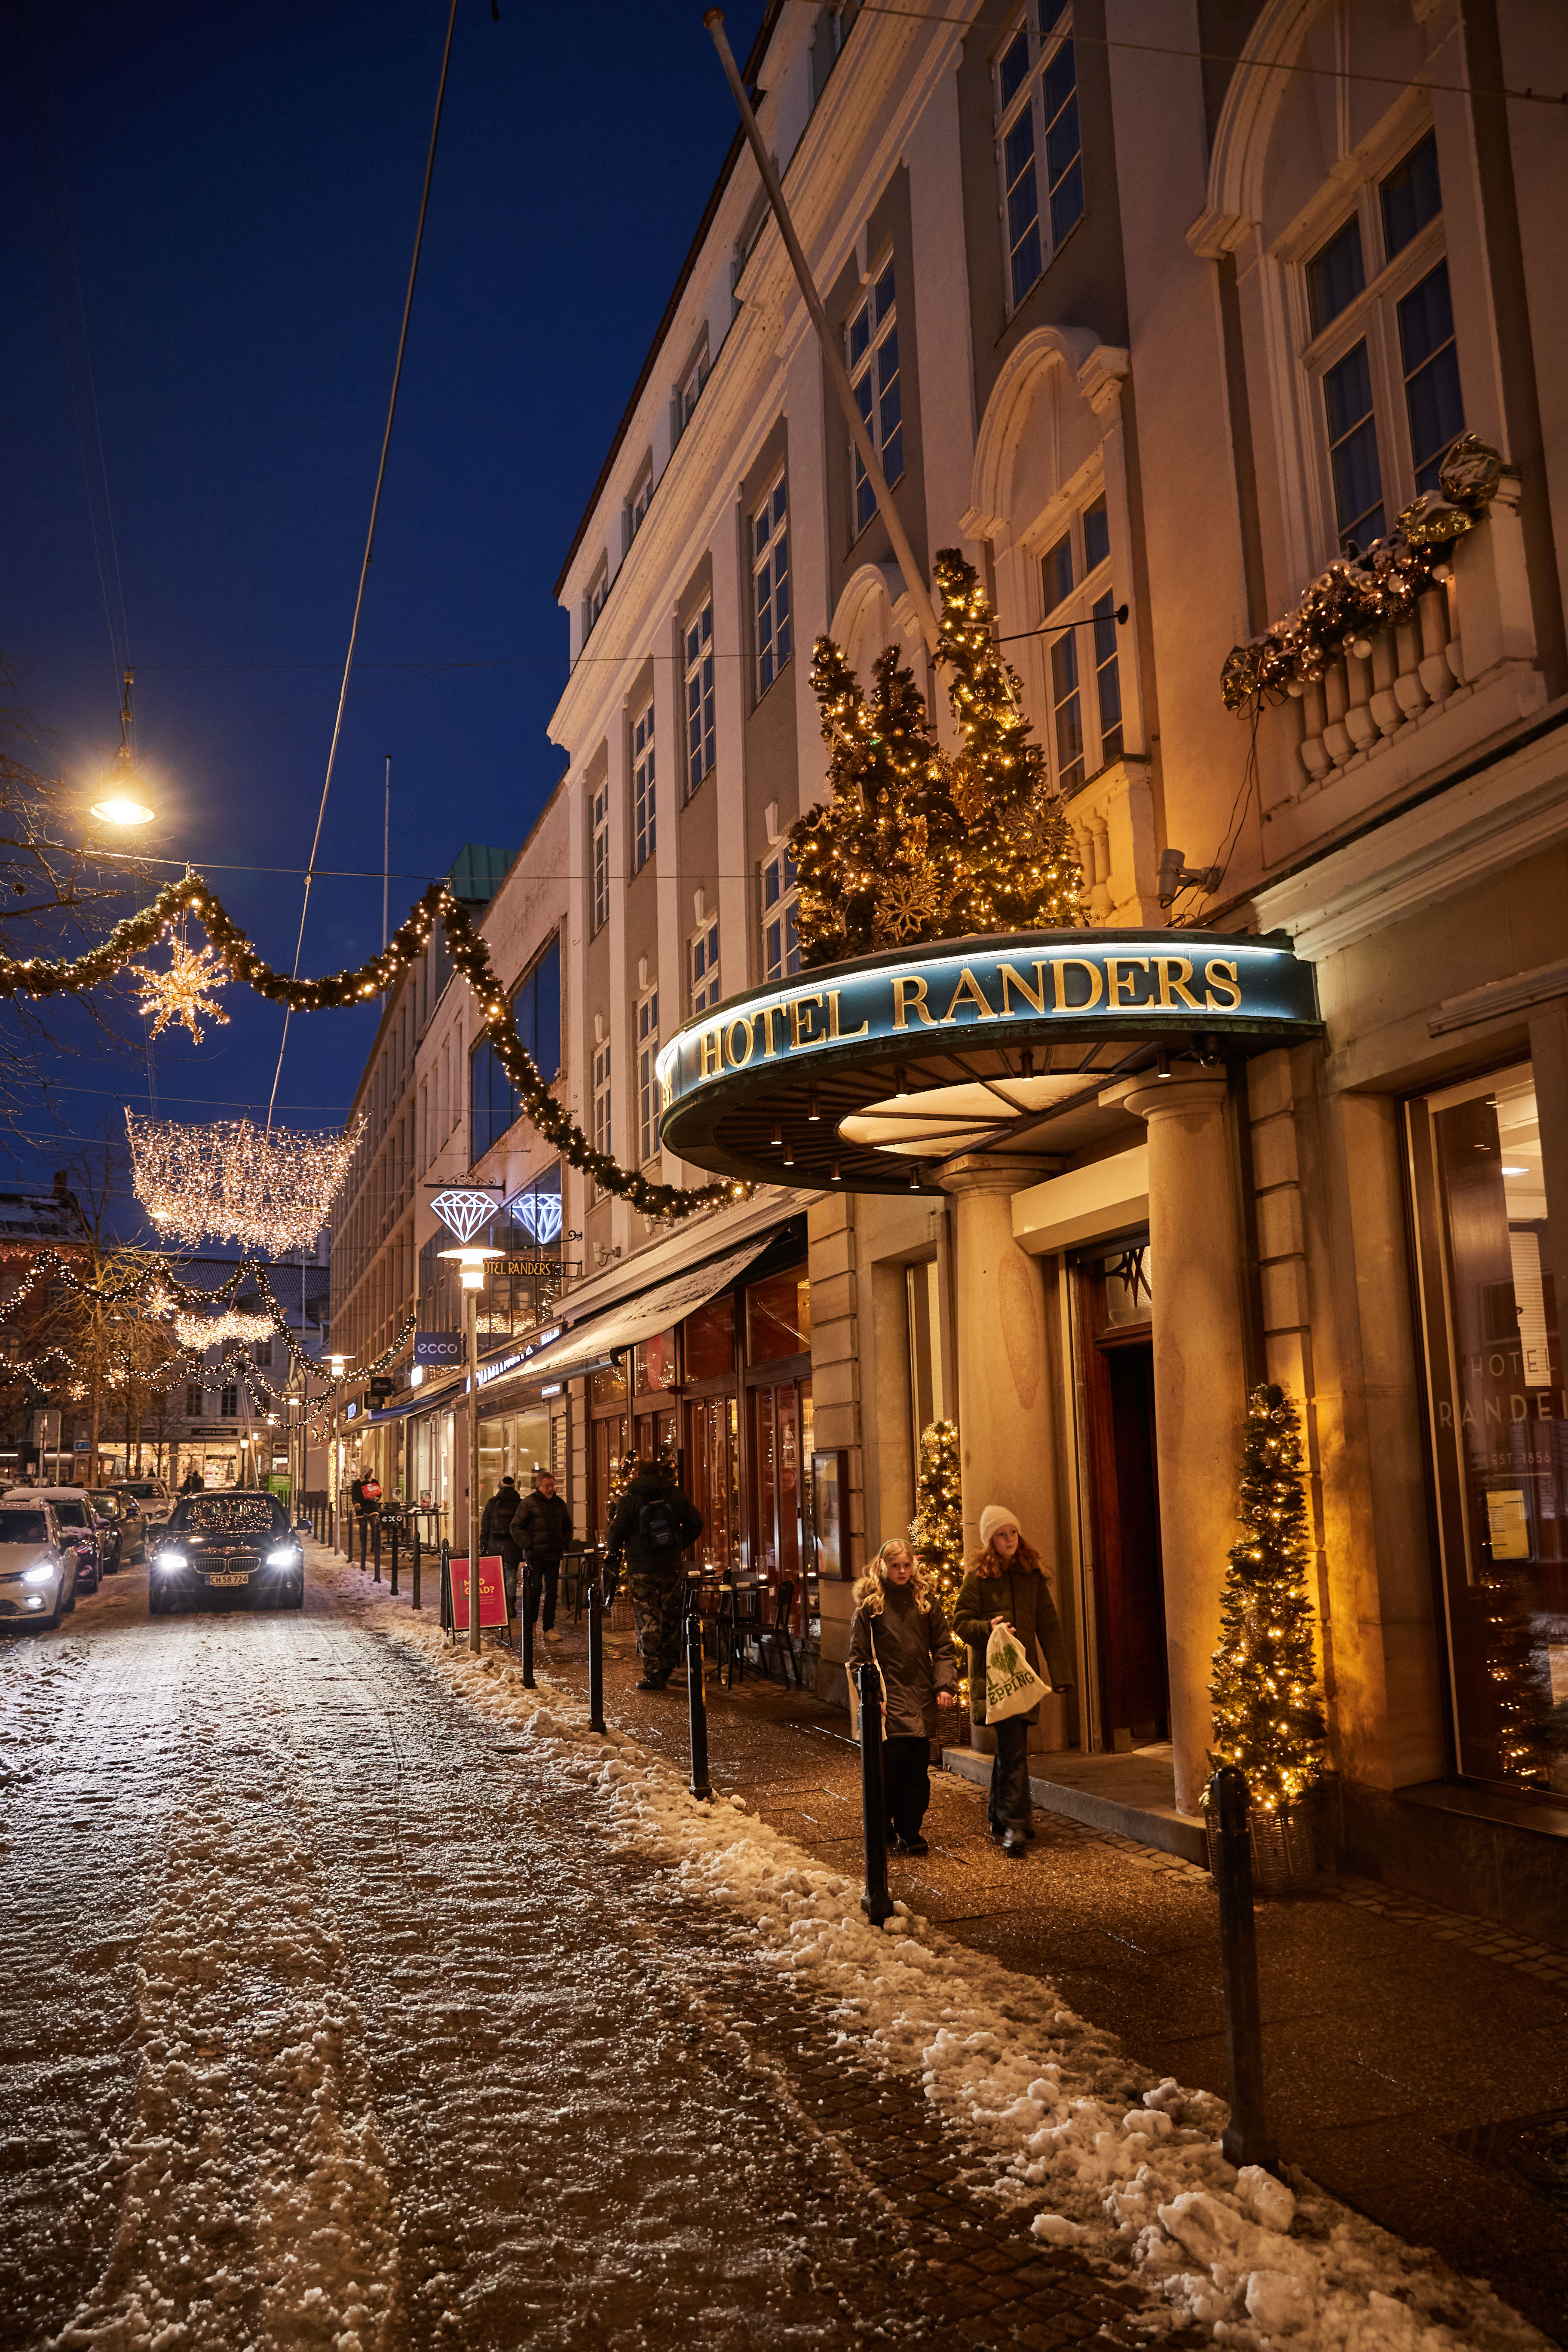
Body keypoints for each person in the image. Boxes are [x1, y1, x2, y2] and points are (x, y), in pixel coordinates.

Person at [952, 1504, 1071, 1859]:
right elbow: (961, 1622)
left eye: (1013, 1533)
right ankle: (1017, 1823)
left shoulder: (1031, 1576)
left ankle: (998, 1814)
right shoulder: (978, 1579)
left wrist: (1060, 1675)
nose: (1009, 1540)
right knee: (1014, 1746)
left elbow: (1048, 1626)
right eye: (1002, 1535)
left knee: (1011, 1747)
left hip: (1024, 1678)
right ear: (991, 1541)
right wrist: (988, 1628)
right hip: (996, 1678)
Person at [848, 1536, 957, 1854]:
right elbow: (859, 1656)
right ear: (883, 1566)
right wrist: (873, 1696)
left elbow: (944, 1646)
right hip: (889, 1698)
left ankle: (910, 1829)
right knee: (890, 1769)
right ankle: (883, 1823)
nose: (902, 1572)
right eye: (895, 1566)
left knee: (917, 1772)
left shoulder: (925, 1602)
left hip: (920, 1696)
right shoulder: (871, 1606)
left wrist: (944, 1685)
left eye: (907, 1565)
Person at [606, 1452, 703, 1690]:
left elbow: (615, 1534)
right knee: (671, 1617)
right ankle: (669, 1667)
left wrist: (618, 1548)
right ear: (660, 1473)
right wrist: (679, 1545)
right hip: (670, 1566)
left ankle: (654, 1674)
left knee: (647, 1619)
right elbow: (696, 1522)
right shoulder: (675, 1494)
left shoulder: (629, 1498)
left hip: (641, 1568)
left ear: (637, 1473)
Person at [512, 1468, 573, 1645]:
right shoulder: (528, 1503)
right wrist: (528, 1544)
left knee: (552, 1593)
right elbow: (516, 1526)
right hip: (535, 1555)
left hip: (554, 1554)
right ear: (539, 1487)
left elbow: (568, 1527)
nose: (551, 1489)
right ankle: (531, 1626)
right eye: (547, 1486)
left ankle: (549, 1629)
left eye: (553, 1485)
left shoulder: (560, 1504)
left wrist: (564, 1543)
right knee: (535, 1590)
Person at [479, 1473, 521, 1614]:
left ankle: (497, 1605)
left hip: (495, 1544)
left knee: (496, 1575)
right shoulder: (520, 1503)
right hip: (514, 1545)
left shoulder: (492, 1503)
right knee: (511, 1574)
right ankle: (510, 1607)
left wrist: (483, 1543)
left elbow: (486, 1525)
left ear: (500, 1487)